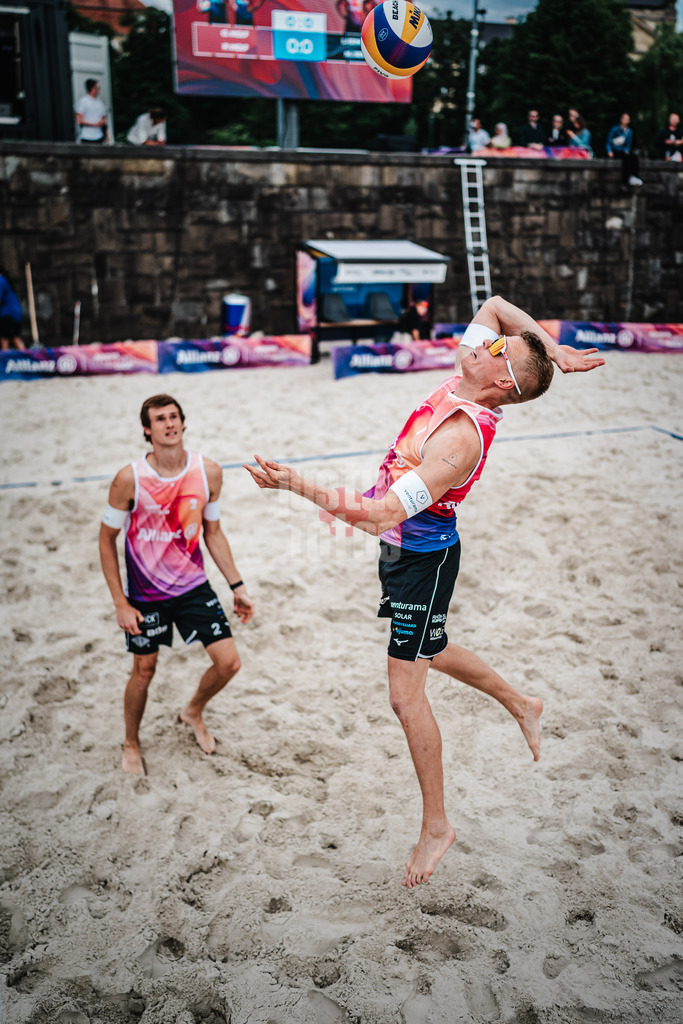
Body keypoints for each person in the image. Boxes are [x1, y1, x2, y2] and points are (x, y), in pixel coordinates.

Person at [245, 297, 605, 889]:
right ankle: (522, 704)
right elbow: (495, 306)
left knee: (404, 696)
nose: (482, 343)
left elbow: (379, 514)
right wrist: (555, 350)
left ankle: (436, 825)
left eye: (496, 349)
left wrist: (294, 483)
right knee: (431, 649)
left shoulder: (461, 440)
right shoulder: (476, 367)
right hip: (405, 553)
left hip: (422, 561)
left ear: (502, 382)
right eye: (492, 342)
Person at [99, 394, 254, 775]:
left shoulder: (209, 472)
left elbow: (213, 533)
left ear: (183, 424)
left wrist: (237, 586)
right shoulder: (129, 478)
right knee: (144, 671)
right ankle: (131, 742)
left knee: (229, 663)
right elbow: (105, 540)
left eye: (174, 417)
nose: (168, 424)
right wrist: (120, 603)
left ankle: (193, 711)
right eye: (159, 419)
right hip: (145, 594)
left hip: (192, 586)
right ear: (147, 430)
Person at [606, 113, 642, 187]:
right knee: (626, 158)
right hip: (615, 150)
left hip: (624, 151)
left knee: (634, 157)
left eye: (627, 119)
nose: (625, 120)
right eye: (624, 118)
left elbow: (628, 144)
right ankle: (626, 179)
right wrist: (609, 151)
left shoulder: (629, 132)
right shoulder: (614, 129)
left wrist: (627, 150)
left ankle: (634, 176)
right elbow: (609, 142)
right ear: (621, 119)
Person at [75, 79, 110, 145]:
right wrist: (95, 124)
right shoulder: (83, 101)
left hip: (99, 136)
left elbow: (104, 120)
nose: (99, 90)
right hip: (87, 136)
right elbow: (78, 119)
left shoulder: (100, 102)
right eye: (98, 88)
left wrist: (107, 136)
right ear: (92, 88)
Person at [0, 267, 25, 350]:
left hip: (8, 314)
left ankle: (4, 362)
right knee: (16, 338)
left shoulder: (1, 280)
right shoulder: (7, 281)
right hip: (16, 314)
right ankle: (28, 358)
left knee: (4, 340)